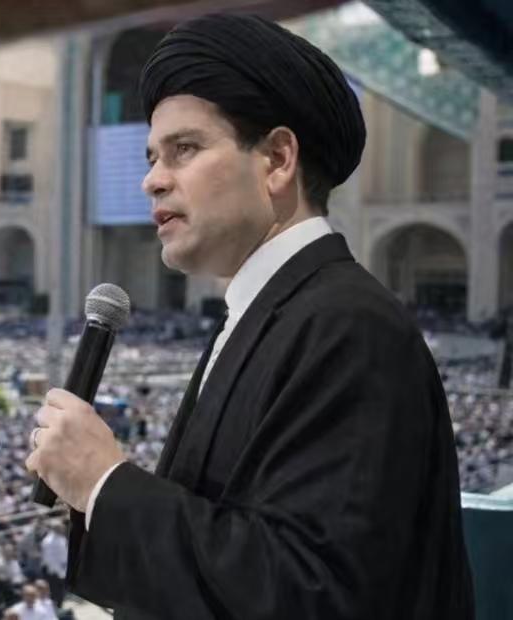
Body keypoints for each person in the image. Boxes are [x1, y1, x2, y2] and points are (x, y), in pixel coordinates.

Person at [24, 12, 474, 620]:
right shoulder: (267, 316)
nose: (152, 180)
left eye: (184, 149)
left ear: (278, 159)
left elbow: (312, 593)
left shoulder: (349, 327)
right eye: (152, 157)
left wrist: (105, 483)